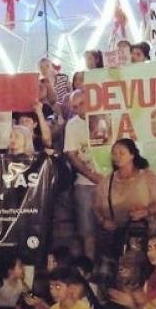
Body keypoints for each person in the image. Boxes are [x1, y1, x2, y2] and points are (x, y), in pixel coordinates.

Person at [92, 139, 156, 260]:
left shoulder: (147, 176)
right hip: (117, 239)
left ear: (132, 155)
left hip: (143, 236)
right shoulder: (107, 181)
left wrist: (145, 212)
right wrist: (103, 222)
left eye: (121, 153)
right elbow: (96, 207)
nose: (117, 157)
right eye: (114, 153)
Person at [64, 90, 101, 260]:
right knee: (87, 232)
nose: (79, 109)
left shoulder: (106, 116)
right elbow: (72, 155)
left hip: (112, 181)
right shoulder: (72, 125)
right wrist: (93, 177)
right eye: (75, 107)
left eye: (82, 104)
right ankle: (91, 268)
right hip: (85, 182)